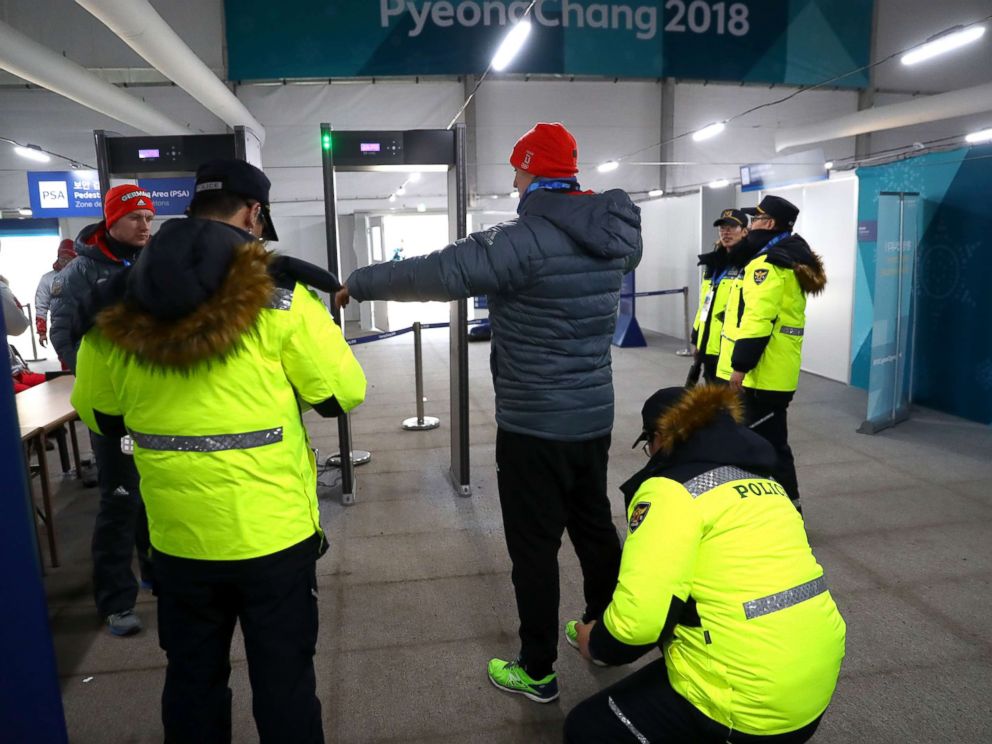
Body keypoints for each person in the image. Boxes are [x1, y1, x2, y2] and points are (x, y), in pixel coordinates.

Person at [335, 121, 642, 703]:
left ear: (533, 172)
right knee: (594, 525)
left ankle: (537, 668)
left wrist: (360, 282)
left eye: (518, 169)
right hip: (593, 415)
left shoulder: (521, 240)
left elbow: (437, 272)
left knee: (534, 546)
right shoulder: (616, 235)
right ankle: (608, 636)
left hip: (533, 423)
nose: (514, 178)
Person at [72, 158, 366, 744]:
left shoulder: (119, 301)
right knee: (284, 682)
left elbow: (99, 413)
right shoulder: (281, 297)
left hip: (178, 539)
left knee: (191, 679)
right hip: (272, 535)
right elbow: (342, 396)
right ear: (253, 214)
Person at [564, 384, 846, 743]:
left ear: (663, 435)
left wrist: (596, 643)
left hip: (748, 705)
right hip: (814, 684)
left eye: (649, 442)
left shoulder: (672, 491)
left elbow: (637, 625)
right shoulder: (767, 483)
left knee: (585, 728)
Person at [49, 185, 156, 635]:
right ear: (111, 221)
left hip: (152, 403)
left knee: (153, 492)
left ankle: (156, 571)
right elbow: (63, 336)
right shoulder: (80, 273)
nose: (145, 226)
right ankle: (115, 600)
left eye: (149, 218)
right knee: (119, 499)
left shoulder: (153, 262)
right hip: (110, 407)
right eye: (135, 218)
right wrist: (96, 383)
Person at [716, 195, 825, 510]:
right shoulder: (783, 257)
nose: (751, 226)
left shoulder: (769, 264)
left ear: (771, 223)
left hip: (762, 374)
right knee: (764, 441)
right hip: (775, 369)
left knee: (768, 445)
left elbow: (758, 320)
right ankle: (773, 507)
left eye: (757, 220)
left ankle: (788, 510)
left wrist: (740, 366)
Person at [690, 209, 748, 384]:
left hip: (730, 349)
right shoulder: (714, 263)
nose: (726, 232)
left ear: (744, 231)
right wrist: (696, 338)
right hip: (709, 346)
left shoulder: (749, 263)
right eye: (722, 228)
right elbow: (704, 304)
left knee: (730, 406)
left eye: (732, 227)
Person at [34, 239, 77, 354]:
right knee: (66, 360)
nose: (65, 261)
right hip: (60, 328)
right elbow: (41, 305)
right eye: (62, 258)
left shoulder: (83, 275)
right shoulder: (47, 279)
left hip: (83, 326)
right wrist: (42, 332)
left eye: (69, 258)